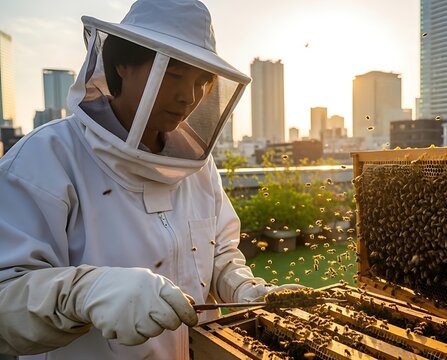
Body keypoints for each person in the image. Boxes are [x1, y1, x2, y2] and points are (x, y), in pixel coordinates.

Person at [0, 1, 301, 359]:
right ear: (122, 64)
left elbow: (218, 254)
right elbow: (7, 299)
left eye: (201, 81)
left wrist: (242, 287)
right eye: (173, 74)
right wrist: (87, 292)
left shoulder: (198, 168)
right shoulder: (45, 159)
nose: (188, 97)